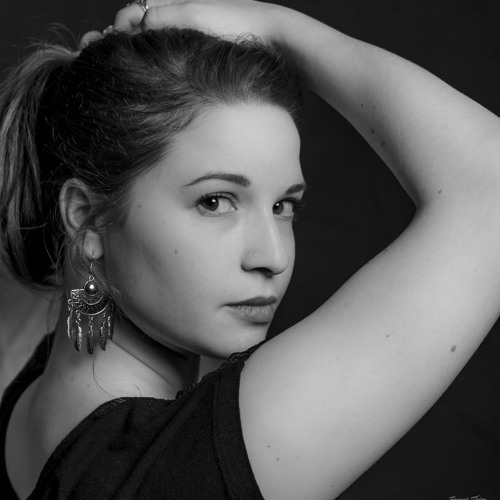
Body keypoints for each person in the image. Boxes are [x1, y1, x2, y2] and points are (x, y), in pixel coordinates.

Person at [1, 0, 500, 498]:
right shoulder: (174, 464)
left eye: (284, 206)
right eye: (215, 201)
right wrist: (275, 28)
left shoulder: (43, 392)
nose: (273, 258)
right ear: (86, 217)